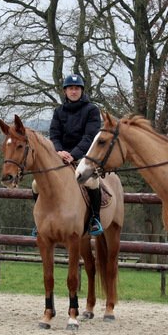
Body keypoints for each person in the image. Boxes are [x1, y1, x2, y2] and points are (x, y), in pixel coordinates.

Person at [48, 74, 103, 236]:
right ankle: (40, 222)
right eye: (70, 88)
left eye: (77, 88)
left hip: (84, 157)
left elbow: (90, 137)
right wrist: (59, 151)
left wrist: (73, 154)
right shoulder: (58, 111)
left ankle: (95, 218)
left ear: (81, 91)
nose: (74, 91)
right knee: (36, 185)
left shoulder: (92, 110)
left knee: (92, 182)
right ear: (65, 91)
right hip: (60, 156)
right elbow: (54, 135)